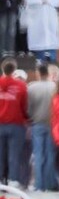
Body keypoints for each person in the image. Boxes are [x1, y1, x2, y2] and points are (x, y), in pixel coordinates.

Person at [27, 62, 57, 191]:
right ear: (48, 73)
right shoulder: (54, 87)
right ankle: (49, 183)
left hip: (37, 123)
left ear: (38, 73)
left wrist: (31, 117)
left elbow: (28, 108)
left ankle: (39, 184)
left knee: (38, 154)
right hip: (52, 123)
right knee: (50, 154)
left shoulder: (31, 87)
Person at [23, 0, 59, 64]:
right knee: (39, 39)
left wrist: (48, 1)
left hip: (50, 18)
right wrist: (40, 1)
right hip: (37, 19)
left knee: (51, 38)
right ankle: (40, 58)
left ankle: (52, 58)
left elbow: (58, 1)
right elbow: (29, 0)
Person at [0, 58, 28, 186]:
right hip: (16, 124)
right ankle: (13, 180)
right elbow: (24, 106)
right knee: (14, 154)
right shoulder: (20, 86)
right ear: (14, 70)